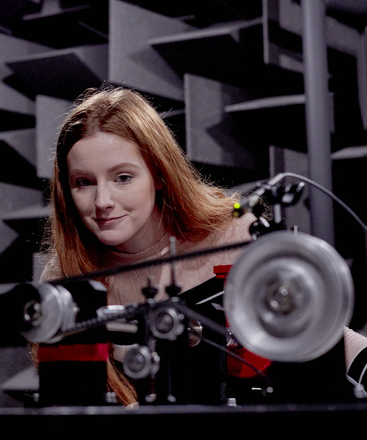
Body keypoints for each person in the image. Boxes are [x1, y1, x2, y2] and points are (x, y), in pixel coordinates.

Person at [38, 85, 367, 406]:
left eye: (123, 177)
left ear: (159, 174)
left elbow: (328, 340)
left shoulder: (237, 238)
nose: (103, 201)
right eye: (84, 183)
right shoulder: (64, 282)